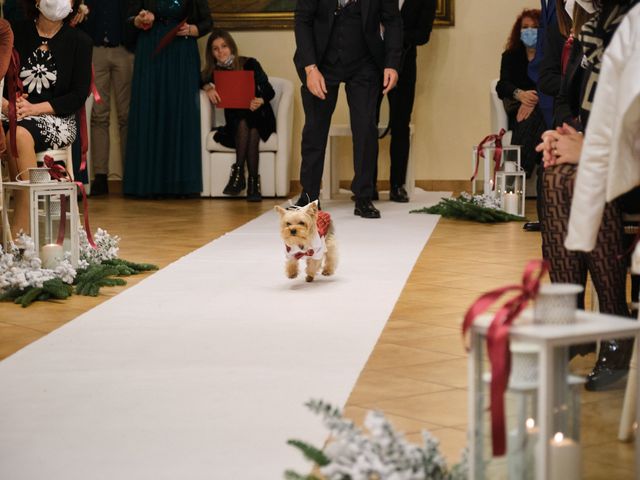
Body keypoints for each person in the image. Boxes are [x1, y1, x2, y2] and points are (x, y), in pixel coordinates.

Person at [536, 0, 637, 391]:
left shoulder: (628, 27)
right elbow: (584, 106)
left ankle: (611, 322)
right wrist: (567, 138)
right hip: (616, 156)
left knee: (571, 177)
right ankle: (573, 320)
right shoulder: (598, 28)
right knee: (559, 176)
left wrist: (591, 148)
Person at [293, 0, 402, 218]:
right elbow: (302, 20)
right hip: (321, 62)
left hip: (365, 63)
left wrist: (391, 63)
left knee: (365, 129)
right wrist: (310, 68)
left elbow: (393, 21)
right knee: (315, 129)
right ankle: (309, 196)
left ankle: (363, 196)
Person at [2, 0, 92, 234]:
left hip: (57, 119)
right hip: (12, 113)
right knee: (14, 130)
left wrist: (35, 109)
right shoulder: (15, 32)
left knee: (18, 134)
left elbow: (78, 95)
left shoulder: (80, 41)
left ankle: (23, 236)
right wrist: (8, 106)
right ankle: (19, 232)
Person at [123, 0, 211, 198]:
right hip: (150, 51)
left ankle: (179, 184)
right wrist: (139, 20)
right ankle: (147, 183)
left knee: (179, 111)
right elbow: (128, 20)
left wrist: (193, 30)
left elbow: (207, 22)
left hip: (181, 52)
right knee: (149, 110)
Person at [201, 29, 276, 202]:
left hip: (259, 112)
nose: (221, 52)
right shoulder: (214, 72)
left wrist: (260, 99)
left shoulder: (249, 63)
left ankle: (238, 175)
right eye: (215, 49)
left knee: (250, 121)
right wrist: (208, 87)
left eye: (224, 46)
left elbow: (269, 90)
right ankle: (253, 184)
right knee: (248, 126)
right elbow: (198, 79)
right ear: (211, 53)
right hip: (236, 121)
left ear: (231, 46)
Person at [374, 0, 436, 203]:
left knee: (400, 126)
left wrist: (393, 34)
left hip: (405, 66)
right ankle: (367, 184)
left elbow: (422, 35)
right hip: (371, 64)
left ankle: (397, 186)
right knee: (366, 124)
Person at [80, 0, 134, 196]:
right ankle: (101, 176)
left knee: (126, 115)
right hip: (96, 51)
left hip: (124, 50)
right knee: (99, 115)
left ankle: (131, 176)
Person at [496, 9, 547, 178]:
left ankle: (513, 178)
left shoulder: (549, 56)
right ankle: (523, 174)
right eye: (525, 27)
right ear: (519, 31)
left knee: (538, 113)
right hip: (518, 110)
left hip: (543, 107)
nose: (530, 31)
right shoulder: (510, 56)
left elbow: (555, 85)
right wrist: (520, 95)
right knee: (533, 117)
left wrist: (533, 100)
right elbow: (502, 85)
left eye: (535, 27)